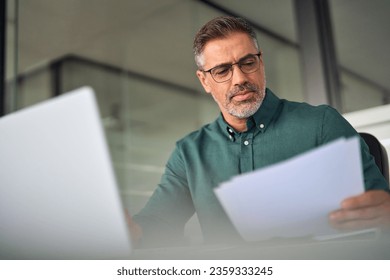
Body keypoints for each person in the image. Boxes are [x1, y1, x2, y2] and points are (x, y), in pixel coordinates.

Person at [129, 16, 390, 247]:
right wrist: (129, 232)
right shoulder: (189, 153)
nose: (240, 78)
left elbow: (380, 209)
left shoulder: (321, 124)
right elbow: (157, 223)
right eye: (222, 70)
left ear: (261, 63)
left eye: (247, 63)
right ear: (204, 80)